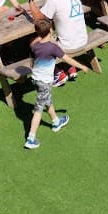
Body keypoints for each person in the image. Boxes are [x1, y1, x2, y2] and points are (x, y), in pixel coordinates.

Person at [22, 0, 91, 79]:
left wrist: (30, 0)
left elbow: (38, 19)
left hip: (69, 46)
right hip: (82, 40)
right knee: (52, 33)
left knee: (34, 41)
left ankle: (57, 73)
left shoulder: (54, 0)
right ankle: (69, 66)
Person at [23, 18, 70, 149]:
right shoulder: (53, 48)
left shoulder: (34, 46)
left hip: (36, 79)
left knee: (46, 99)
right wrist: (82, 66)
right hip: (44, 81)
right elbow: (67, 59)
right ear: (50, 31)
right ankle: (30, 139)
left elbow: (32, 62)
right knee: (38, 110)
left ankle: (56, 122)